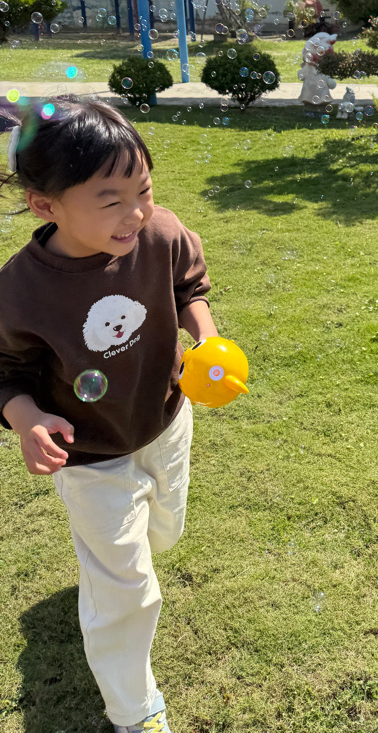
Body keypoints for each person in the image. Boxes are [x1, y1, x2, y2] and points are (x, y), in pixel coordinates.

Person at [0, 96, 217, 733]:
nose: (136, 212)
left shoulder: (161, 234)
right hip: (90, 454)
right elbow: (5, 372)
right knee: (128, 585)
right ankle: (134, 710)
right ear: (46, 206)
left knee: (162, 534)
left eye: (143, 189)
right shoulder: (20, 291)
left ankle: (110, 567)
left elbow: (188, 286)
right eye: (110, 200)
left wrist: (206, 340)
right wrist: (26, 419)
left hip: (165, 421)